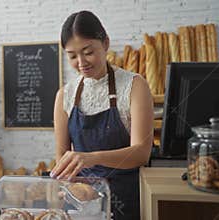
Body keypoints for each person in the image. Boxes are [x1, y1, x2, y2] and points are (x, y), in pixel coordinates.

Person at [51, 11, 153, 220]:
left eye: (88, 52)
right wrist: (67, 186)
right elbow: (62, 158)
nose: (81, 62)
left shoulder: (134, 86)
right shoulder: (65, 95)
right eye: (71, 55)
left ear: (105, 43)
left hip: (127, 200)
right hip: (83, 204)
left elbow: (142, 153)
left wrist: (92, 158)